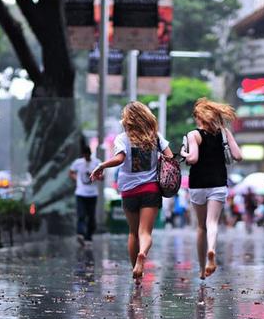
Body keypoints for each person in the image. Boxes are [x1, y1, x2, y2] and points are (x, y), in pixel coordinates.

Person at [90, 101, 172, 283]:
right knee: (145, 233)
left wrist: (102, 165)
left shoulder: (123, 138)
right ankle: (143, 254)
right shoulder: (155, 137)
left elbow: (119, 158)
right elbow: (170, 157)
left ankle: (136, 273)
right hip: (151, 189)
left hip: (129, 190)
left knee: (133, 233)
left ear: (128, 119)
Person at [181, 98, 242, 279]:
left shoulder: (194, 135)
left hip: (198, 184)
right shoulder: (224, 132)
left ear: (199, 118)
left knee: (201, 227)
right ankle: (211, 250)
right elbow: (238, 156)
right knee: (212, 222)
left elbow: (192, 159)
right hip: (218, 183)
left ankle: (201, 270)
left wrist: (184, 153)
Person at [69, 145, 101, 244]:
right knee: (81, 214)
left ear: (90, 154)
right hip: (81, 193)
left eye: (88, 155)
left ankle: (88, 237)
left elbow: (102, 177)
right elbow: (71, 172)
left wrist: (94, 175)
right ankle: (80, 234)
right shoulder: (78, 163)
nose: (87, 157)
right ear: (83, 154)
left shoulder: (96, 162)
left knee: (91, 216)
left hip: (92, 194)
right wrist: (76, 178)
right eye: (85, 155)